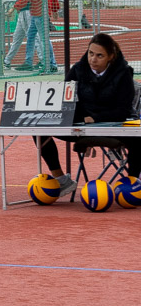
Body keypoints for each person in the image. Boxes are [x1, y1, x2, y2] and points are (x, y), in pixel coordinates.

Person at [36, 34, 137, 192]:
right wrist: (81, 122)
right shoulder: (77, 69)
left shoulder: (123, 73)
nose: (93, 59)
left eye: (99, 56)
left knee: (137, 139)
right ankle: (61, 180)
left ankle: (133, 184)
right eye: (91, 53)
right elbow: (65, 99)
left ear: (111, 57)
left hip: (113, 126)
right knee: (39, 130)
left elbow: (123, 110)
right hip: (81, 125)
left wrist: (95, 119)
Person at [11, 0, 60, 73]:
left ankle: (51, 63)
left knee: (43, 38)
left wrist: (14, 7)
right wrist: (55, 9)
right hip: (36, 12)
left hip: (39, 12)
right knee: (31, 35)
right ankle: (29, 61)